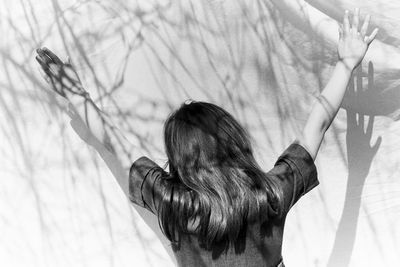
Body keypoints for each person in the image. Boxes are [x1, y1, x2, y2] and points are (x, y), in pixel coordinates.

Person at [35, 8, 378, 267]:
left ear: (180, 159)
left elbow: (116, 142)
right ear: (235, 141)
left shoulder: (175, 204)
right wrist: (346, 64)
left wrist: (77, 93)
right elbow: (313, 128)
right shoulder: (271, 195)